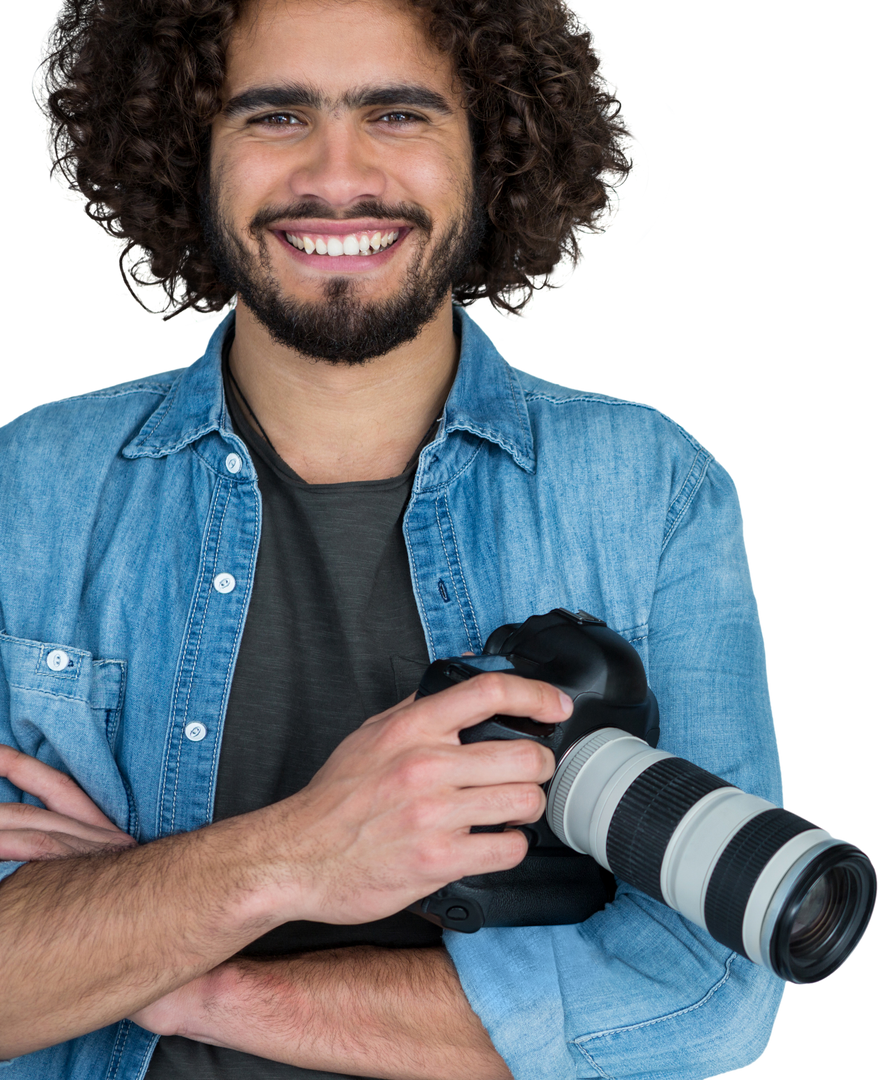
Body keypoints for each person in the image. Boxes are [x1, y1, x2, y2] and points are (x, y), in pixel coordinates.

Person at [1, 0, 788, 1077]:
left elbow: (711, 995)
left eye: (398, 115)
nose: (336, 174)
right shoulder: (28, 485)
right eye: (273, 117)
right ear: (186, 154)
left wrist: (180, 974)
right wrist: (294, 856)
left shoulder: (648, 488)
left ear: (494, 155)